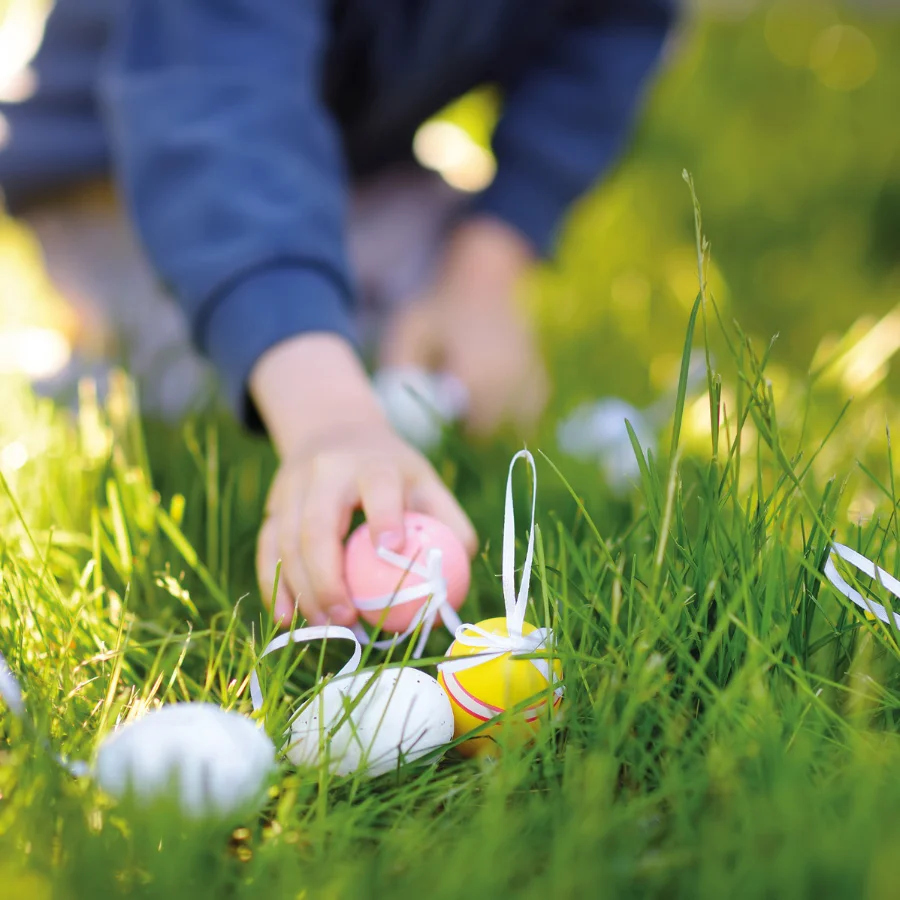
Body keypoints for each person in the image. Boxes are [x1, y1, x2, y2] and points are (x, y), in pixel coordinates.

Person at [0, 0, 674, 628]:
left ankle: (338, 304)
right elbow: (218, 110)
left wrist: (484, 272)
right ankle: (99, 366)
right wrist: (331, 420)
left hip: (346, 158)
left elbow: (610, 33)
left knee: (414, 319)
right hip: (132, 165)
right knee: (214, 363)